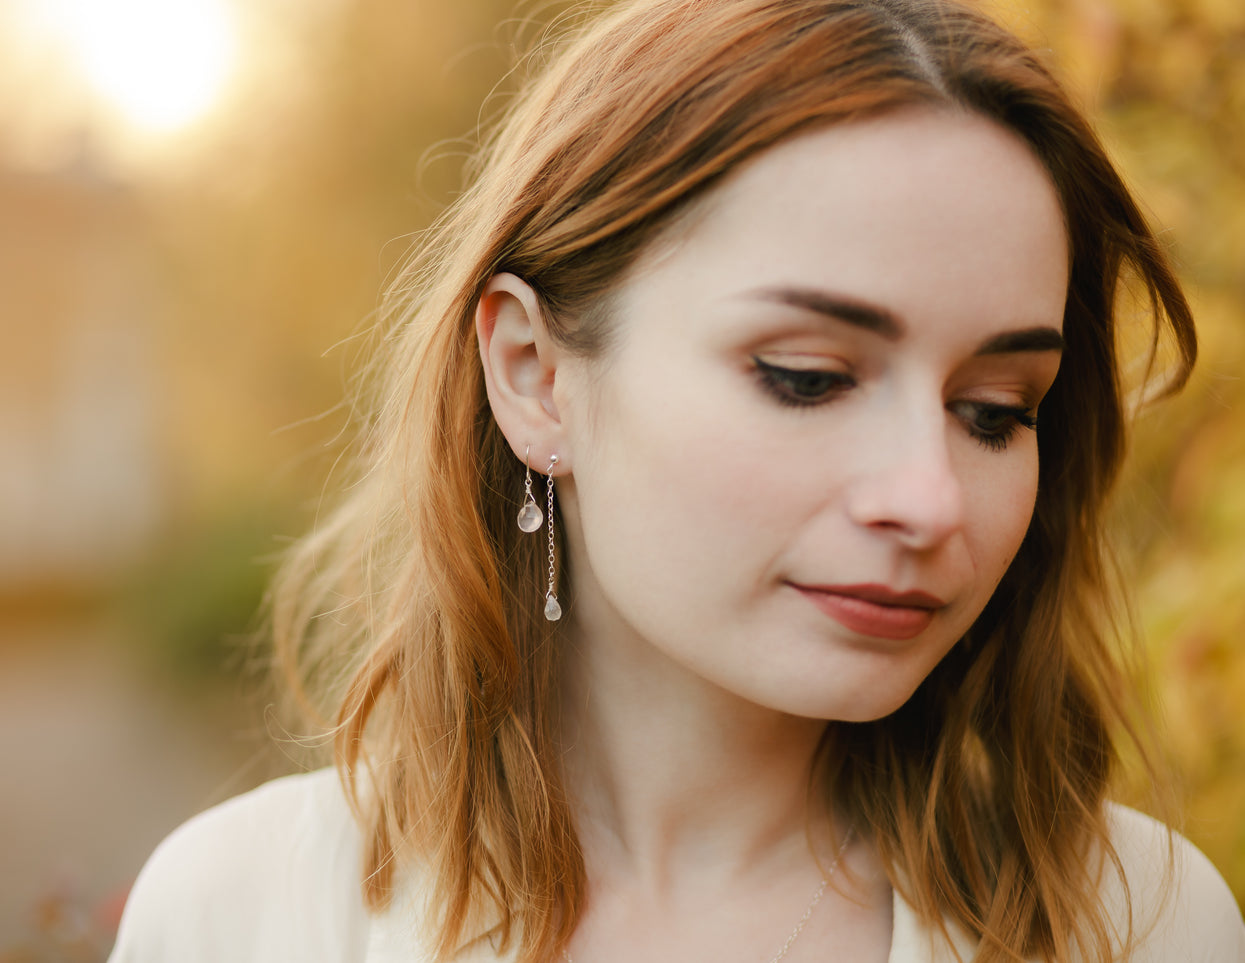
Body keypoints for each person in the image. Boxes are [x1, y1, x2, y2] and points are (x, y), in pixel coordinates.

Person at [107, 0, 1245, 960]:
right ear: (534, 377)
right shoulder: (241, 915)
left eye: (995, 412)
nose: (931, 497)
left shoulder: (1140, 926)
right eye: (806, 379)